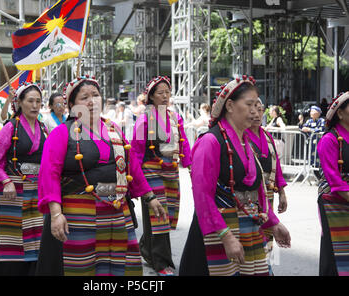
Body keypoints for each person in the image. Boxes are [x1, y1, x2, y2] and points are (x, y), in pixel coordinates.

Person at [37, 76, 166, 276]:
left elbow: (131, 166)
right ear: (72, 105)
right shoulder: (62, 134)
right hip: (80, 212)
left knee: (121, 265)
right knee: (84, 267)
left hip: (116, 209)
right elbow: (49, 174)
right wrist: (55, 214)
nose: (91, 101)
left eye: (95, 95)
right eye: (84, 97)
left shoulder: (113, 129)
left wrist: (149, 197)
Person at [179, 76, 291, 276]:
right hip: (218, 231)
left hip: (248, 228)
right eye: (249, 104)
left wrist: (273, 223)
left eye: (257, 105)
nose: (255, 111)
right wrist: (226, 236)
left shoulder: (246, 141)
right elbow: (202, 196)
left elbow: (257, 193)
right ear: (229, 105)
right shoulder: (210, 142)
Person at [0, 83, 47, 275]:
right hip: (14, 190)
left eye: (38, 101)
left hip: (35, 191)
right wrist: (6, 182)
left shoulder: (43, 128)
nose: (35, 105)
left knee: (35, 239)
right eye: (30, 101)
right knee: (11, 239)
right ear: (19, 103)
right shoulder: (11, 127)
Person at [131, 76, 192, 276]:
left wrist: (191, 167)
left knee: (164, 216)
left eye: (167, 91)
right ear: (150, 97)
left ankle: (146, 248)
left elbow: (183, 144)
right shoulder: (143, 119)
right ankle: (162, 263)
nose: (165, 96)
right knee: (159, 217)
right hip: (150, 172)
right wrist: (135, 181)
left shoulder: (175, 117)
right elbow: (136, 153)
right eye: (160, 92)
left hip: (171, 171)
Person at [246, 98, 288, 254]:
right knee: (251, 237)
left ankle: (266, 267)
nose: (257, 114)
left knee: (268, 234)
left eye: (260, 110)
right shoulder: (241, 136)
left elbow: (276, 166)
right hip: (250, 195)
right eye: (253, 109)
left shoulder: (267, 136)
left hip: (268, 193)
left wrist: (282, 193)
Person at [317, 92, 349, 276]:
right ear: (340, 113)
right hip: (334, 200)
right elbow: (334, 179)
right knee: (335, 252)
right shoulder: (329, 139)